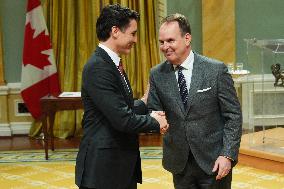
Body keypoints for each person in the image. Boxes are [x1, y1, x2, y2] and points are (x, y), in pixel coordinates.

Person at [75, 4, 168, 189]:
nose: (135, 39)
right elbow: (123, 119)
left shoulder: (111, 63)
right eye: (133, 33)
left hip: (117, 167)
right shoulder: (98, 67)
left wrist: (143, 101)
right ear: (115, 31)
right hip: (103, 172)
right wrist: (155, 122)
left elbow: (120, 107)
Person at [147, 13, 242, 189]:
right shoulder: (156, 74)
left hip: (214, 162)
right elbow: (154, 111)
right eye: (161, 42)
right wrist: (152, 117)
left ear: (187, 38)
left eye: (170, 40)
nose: (165, 46)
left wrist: (227, 155)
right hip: (179, 164)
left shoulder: (215, 70)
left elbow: (233, 115)